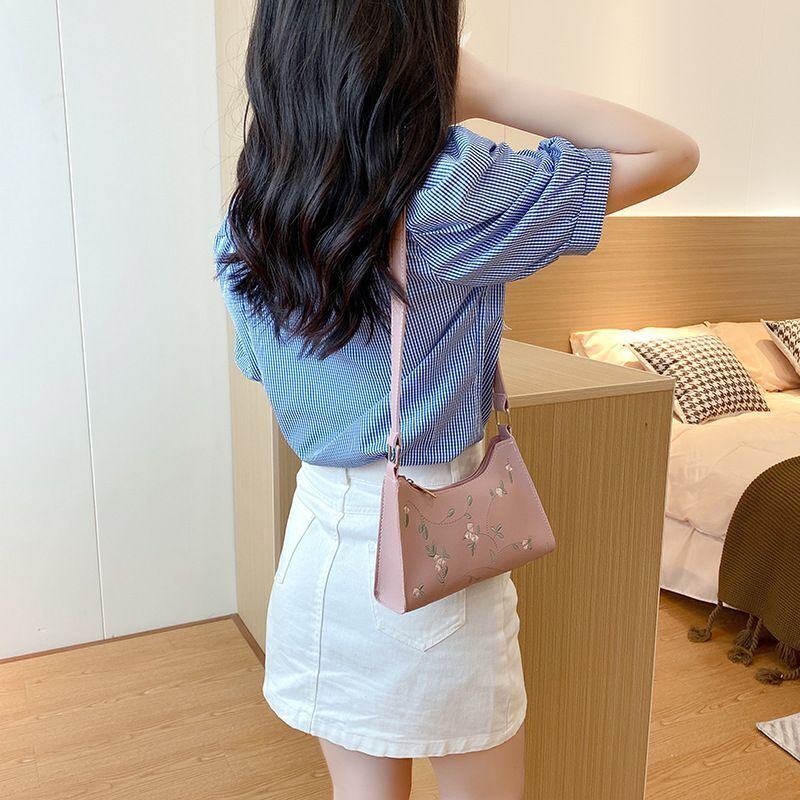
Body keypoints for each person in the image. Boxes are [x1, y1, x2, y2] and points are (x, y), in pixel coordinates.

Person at [213, 2, 700, 799]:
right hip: (433, 548)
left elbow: (264, 372)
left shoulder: (252, 210)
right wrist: (487, 89)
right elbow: (670, 152)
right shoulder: (450, 190)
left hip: (319, 550)